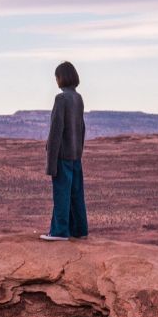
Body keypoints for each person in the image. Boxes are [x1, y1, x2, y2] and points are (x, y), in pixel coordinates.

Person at [40, 61, 88, 241]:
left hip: (63, 155)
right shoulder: (78, 98)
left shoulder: (61, 99)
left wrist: (50, 164)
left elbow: (55, 131)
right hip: (76, 154)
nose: (56, 81)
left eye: (56, 77)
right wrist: (79, 150)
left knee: (61, 193)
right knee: (76, 193)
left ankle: (59, 232)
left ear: (61, 78)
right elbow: (82, 128)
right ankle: (79, 229)